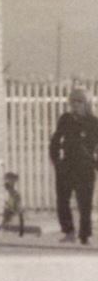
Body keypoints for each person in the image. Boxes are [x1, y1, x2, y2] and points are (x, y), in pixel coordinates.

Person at [48, 87, 98, 244]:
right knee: (62, 200)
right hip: (67, 166)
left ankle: (85, 235)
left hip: (85, 167)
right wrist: (56, 161)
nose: (75, 105)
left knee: (85, 204)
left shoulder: (94, 122)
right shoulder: (65, 119)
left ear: (87, 103)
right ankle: (69, 231)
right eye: (72, 101)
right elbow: (56, 140)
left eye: (79, 101)